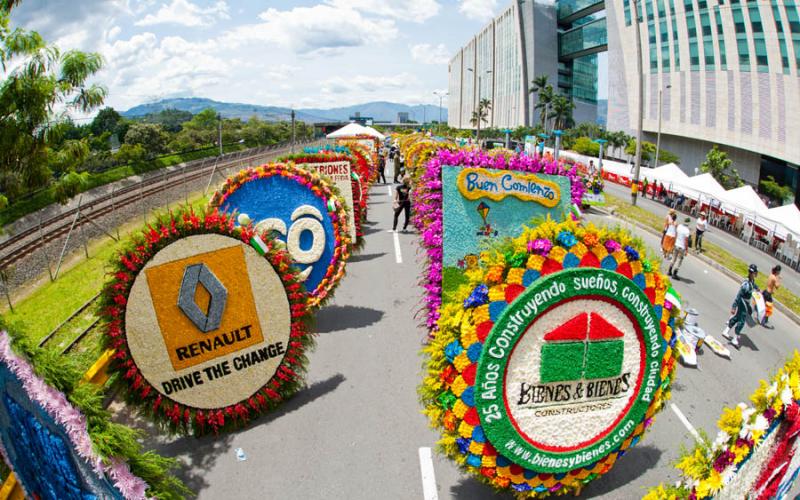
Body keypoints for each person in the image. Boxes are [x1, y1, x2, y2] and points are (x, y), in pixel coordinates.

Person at [722, 264, 759, 348]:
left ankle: (726, 330)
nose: (756, 274)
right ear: (752, 273)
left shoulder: (752, 282)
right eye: (755, 272)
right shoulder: (746, 284)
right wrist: (734, 306)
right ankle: (735, 338)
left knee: (737, 318)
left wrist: (757, 288)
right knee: (741, 321)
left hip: (746, 303)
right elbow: (739, 295)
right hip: (742, 303)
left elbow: (754, 286)